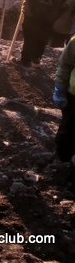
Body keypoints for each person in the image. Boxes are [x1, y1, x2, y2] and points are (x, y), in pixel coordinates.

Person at [53, 37, 75, 192]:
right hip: (74, 95)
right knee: (68, 131)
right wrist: (60, 86)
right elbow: (65, 64)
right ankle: (62, 161)